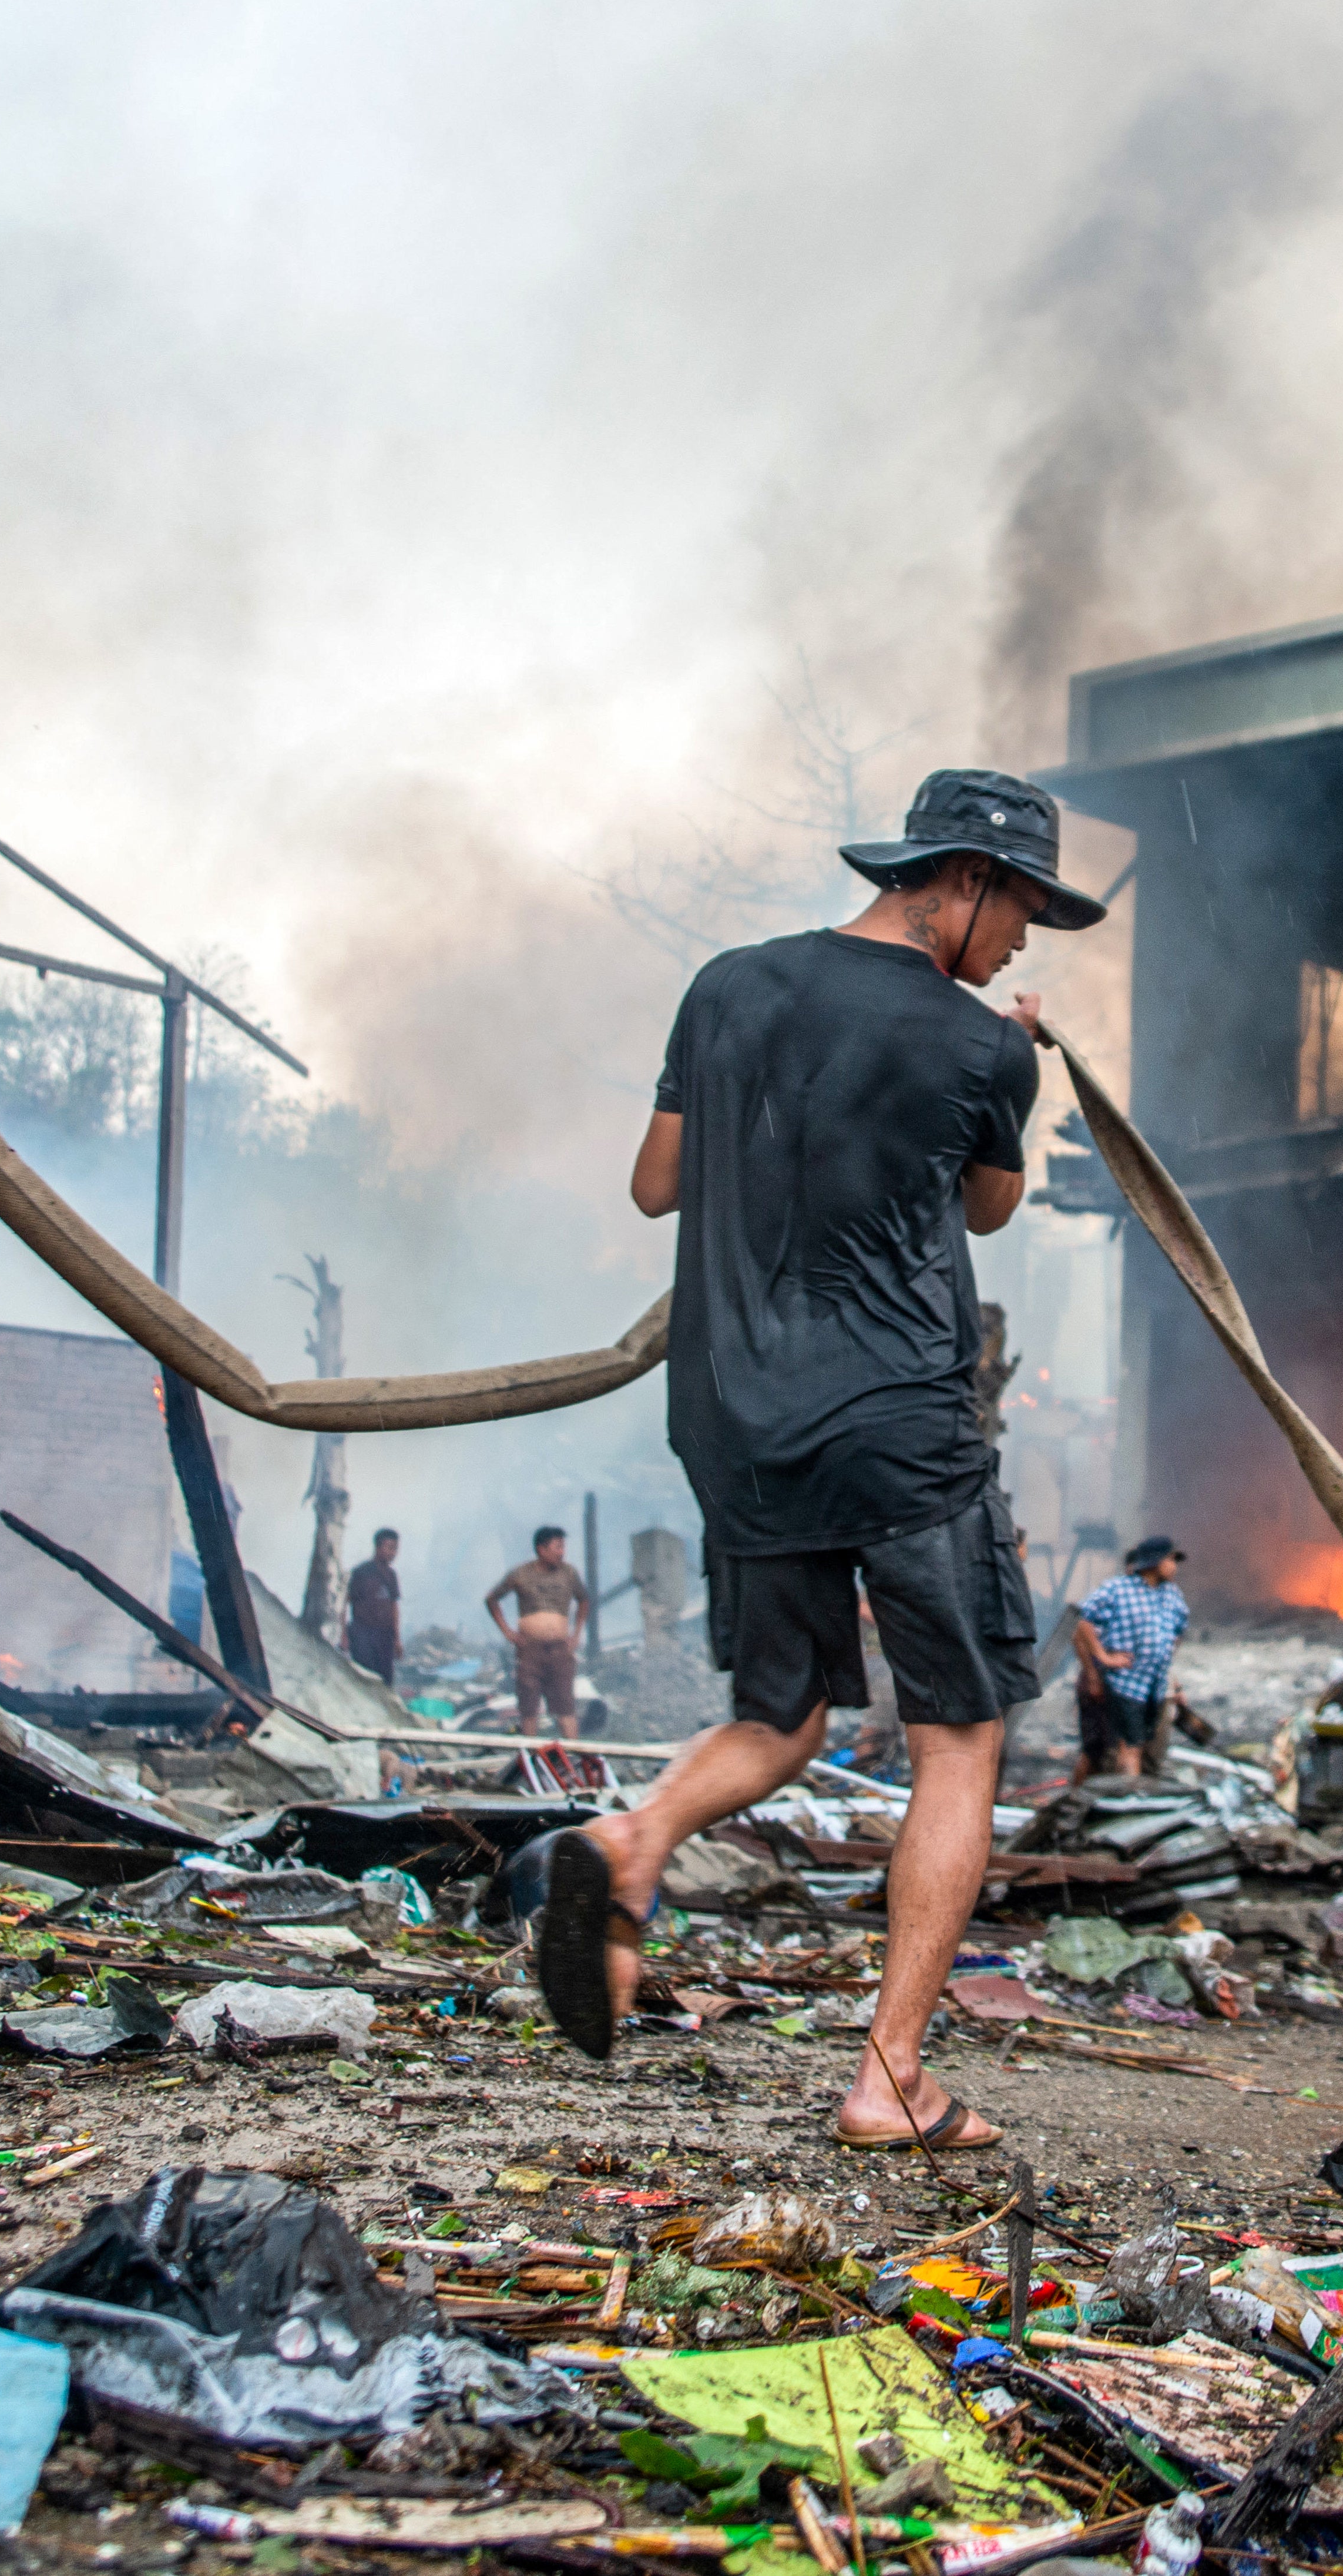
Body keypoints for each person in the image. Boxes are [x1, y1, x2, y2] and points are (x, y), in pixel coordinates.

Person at [534, 766, 1102, 2154]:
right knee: (960, 1731)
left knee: (781, 1720)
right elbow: (984, 1210)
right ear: (962, 880)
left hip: (735, 1416)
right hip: (900, 1422)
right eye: (1021, 908)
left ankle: (632, 1840)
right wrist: (1007, 1059)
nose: (1022, 939)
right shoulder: (987, 1047)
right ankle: (889, 2077)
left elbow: (656, 1184)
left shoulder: (727, 988)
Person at [1070, 1538, 1190, 1777]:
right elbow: (1083, 1620)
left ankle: (1134, 1794)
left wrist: (1170, 1675)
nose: (1174, 1566)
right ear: (1154, 1562)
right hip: (1127, 1683)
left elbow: (1178, 1632)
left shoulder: (1172, 1594)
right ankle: (1129, 1799)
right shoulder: (1118, 1590)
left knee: (1145, 1746)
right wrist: (1103, 1658)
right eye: (1170, 1559)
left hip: (1155, 1686)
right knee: (1129, 1746)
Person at [484, 1525, 591, 1737]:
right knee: (529, 1707)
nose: (562, 1552)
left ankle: (574, 1758)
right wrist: (508, 1632)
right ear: (542, 1549)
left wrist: (576, 1633)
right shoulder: (521, 1574)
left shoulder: (569, 1574)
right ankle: (531, 1758)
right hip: (530, 1651)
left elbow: (584, 1600)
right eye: (557, 1547)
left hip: (560, 1650)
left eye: (563, 1547)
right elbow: (492, 1599)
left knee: (565, 1706)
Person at [345, 1527, 404, 1681]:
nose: (393, 1553)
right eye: (390, 1548)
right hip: (363, 1634)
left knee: (385, 1681)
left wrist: (397, 1639)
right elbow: (345, 1603)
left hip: (384, 1637)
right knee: (364, 1678)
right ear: (378, 1547)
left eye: (395, 1549)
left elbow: (394, 1607)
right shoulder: (361, 1573)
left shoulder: (391, 1576)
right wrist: (344, 1634)